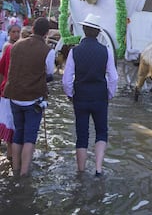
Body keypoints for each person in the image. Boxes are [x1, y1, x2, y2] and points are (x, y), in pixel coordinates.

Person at [62, 14, 118, 177]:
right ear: (99, 32)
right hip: (100, 97)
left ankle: (80, 170)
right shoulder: (105, 51)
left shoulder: (74, 51)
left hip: (80, 97)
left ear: (84, 30)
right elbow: (113, 77)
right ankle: (99, 169)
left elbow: (66, 79)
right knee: (101, 132)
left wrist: (70, 94)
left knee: (82, 134)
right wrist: (109, 94)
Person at [4, 17, 55, 176]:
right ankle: (24, 174)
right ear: (47, 33)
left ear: (32, 29)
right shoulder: (48, 50)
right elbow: (49, 74)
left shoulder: (16, 45)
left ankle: (16, 169)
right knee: (29, 137)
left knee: (18, 133)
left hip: (14, 96)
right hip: (32, 99)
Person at [0, 24, 22, 160]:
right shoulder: (8, 47)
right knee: (11, 126)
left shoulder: (15, 48)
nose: (16, 34)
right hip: (8, 92)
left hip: (13, 92)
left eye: (18, 32)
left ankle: (12, 159)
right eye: (13, 32)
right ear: (9, 33)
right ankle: (12, 158)